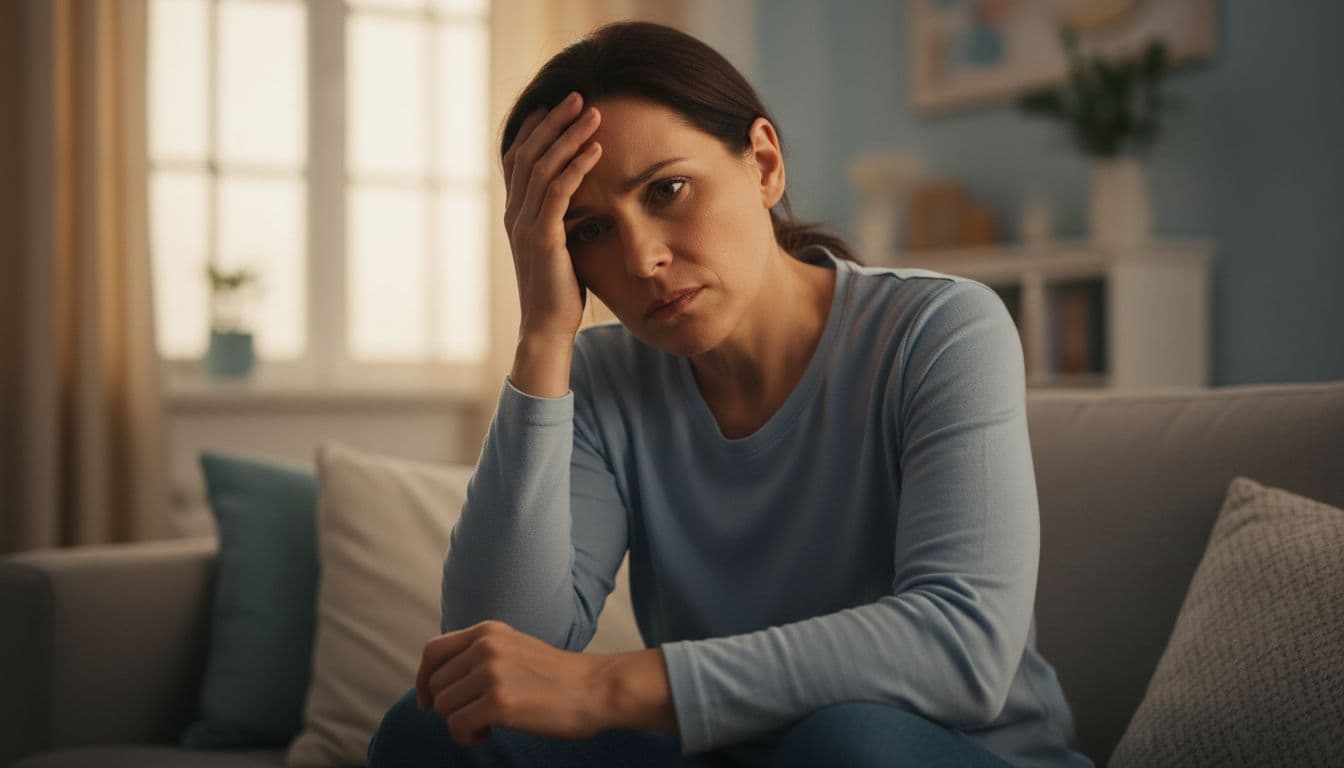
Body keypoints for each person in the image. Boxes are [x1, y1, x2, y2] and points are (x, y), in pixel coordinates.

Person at [367, 20, 1094, 768]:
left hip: (937, 752)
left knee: (843, 744)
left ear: (764, 164)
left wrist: (608, 687)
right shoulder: (598, 377)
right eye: (589, 230)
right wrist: (544, 335)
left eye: (667, 190)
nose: (642, 259)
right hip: (732, 751)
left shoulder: (939, 331)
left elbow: (963, 650)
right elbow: (494, 666)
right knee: (433, 729)